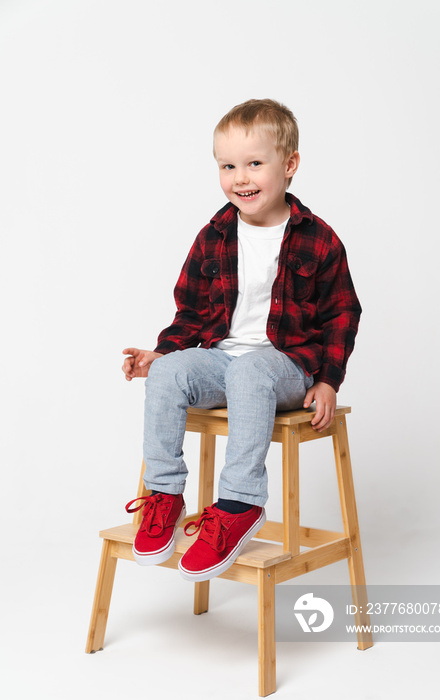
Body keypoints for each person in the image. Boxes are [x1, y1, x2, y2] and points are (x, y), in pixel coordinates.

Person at [122, 98, 362, 583]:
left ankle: (239, 504)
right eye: (228, 166)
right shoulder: (214, 235)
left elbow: (342, 312)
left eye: (255, 163)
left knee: (254, 370)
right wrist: (162, 353)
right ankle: (164, 494)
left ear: (289, 165)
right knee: (170, 372)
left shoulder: (318, 239)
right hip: (222, 360)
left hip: (287, 367)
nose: (241, 177)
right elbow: (190, 311)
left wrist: (329, 381)